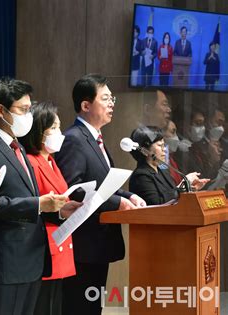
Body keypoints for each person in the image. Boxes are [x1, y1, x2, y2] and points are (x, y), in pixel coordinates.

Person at [0, 77, 69, 315]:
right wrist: (38, 205)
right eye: (23, 110)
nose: (28, 116)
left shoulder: (17, 146)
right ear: (1, 110)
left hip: (29, 260)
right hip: (4, 262)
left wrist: (58, 209)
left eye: (29, 109)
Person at [54, 73, 146, 315]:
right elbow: (74, 189)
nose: (111, 103)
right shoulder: (74, 139)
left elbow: (103, 184)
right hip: (84, 243)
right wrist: (117, 203)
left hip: (98, 243)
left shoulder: (95, 139)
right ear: (86, 105)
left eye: (112, 98)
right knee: (79, 307)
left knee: (92, 307)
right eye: (105, 98)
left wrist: (127, 196)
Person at [19, 101, 82, 315]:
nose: (59, 132)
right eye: (53, 128)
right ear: (38, 131)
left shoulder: (51, 161)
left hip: (59, 242)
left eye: (59, 126)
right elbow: (35, 205)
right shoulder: (31, 161)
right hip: (43, 246)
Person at [128, 126, 208, 205]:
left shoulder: (163, 170)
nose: (165, 149)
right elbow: (157, 203)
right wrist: (183, 184)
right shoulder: (141, 176)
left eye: (164, 145)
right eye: (160, 145)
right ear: (145, 150)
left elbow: (174, 195)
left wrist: (189, 188)